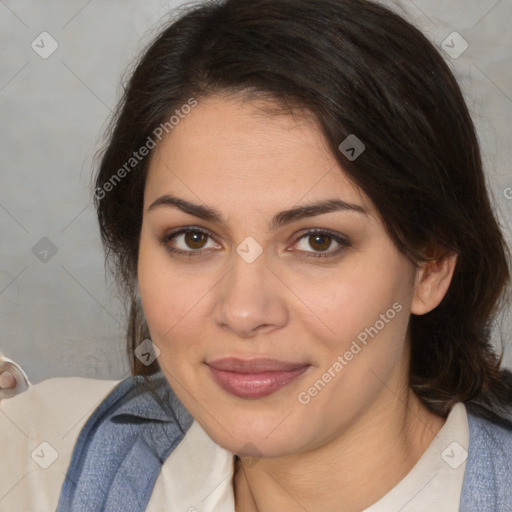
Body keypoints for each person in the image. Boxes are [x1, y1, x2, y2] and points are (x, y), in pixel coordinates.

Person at [1, 0, 511, 510]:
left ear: (431, 265)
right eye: (193, 238)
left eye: (317, 241)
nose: (243, 312)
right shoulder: (43, 459)